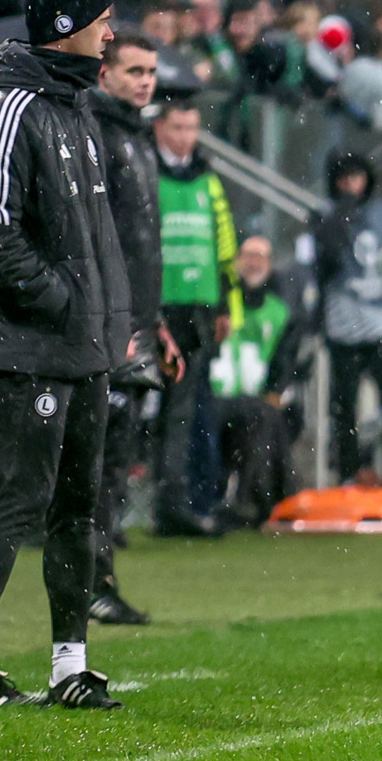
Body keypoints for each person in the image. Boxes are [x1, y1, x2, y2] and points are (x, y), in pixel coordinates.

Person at [0, 0, 129, 708]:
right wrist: (57, 300)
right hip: (31, 348)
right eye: (102, 18)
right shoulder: (10, 109)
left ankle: (68, 664)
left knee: (78, 508)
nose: (111, 31)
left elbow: (96, 238)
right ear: (66, 27)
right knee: (19, 502)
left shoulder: (76, 108)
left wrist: (110, 324)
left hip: (83, 347)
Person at [90, 31, 180, 622]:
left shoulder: (136, 136)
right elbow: (101, 241)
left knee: (115, 457)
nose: (146, 81)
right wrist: (117, 323)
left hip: (135, 322)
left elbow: (142, 249)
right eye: (134, 71)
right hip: (109, 325)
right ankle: (90, 584)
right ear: (105, 75)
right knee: (98, 460)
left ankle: (97, 580)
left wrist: (157, 323)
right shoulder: (100, 134)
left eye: (151, 71)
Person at [153, 99, 236, 536]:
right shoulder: (147, 172)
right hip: (158, 307)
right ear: (160, 128)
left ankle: (181, 500)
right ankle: (169, 501)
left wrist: (223, 304)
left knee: (188, 410)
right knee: (160, 409)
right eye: (177, 127)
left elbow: (222, 245)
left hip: (198, 306)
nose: (185, 137)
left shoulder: (207, 177)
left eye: (191, 128)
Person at [314, 151, 382, 486]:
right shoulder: (324, 215)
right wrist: (344, 210)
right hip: (345, 326)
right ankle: (347, 474)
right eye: (344, 179)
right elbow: (326, 257)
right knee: (344, 407)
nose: (352, 185)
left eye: (357, 177)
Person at [211, 236, 301, 528]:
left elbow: (283, 363)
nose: (254, 263)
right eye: (248, 255)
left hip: (252, 397)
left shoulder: (280, 312)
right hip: (214, 395)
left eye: (261, 256)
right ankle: (272, 500)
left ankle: (264, 500)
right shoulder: (217, 303)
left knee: (269, 416)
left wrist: (273, 392)